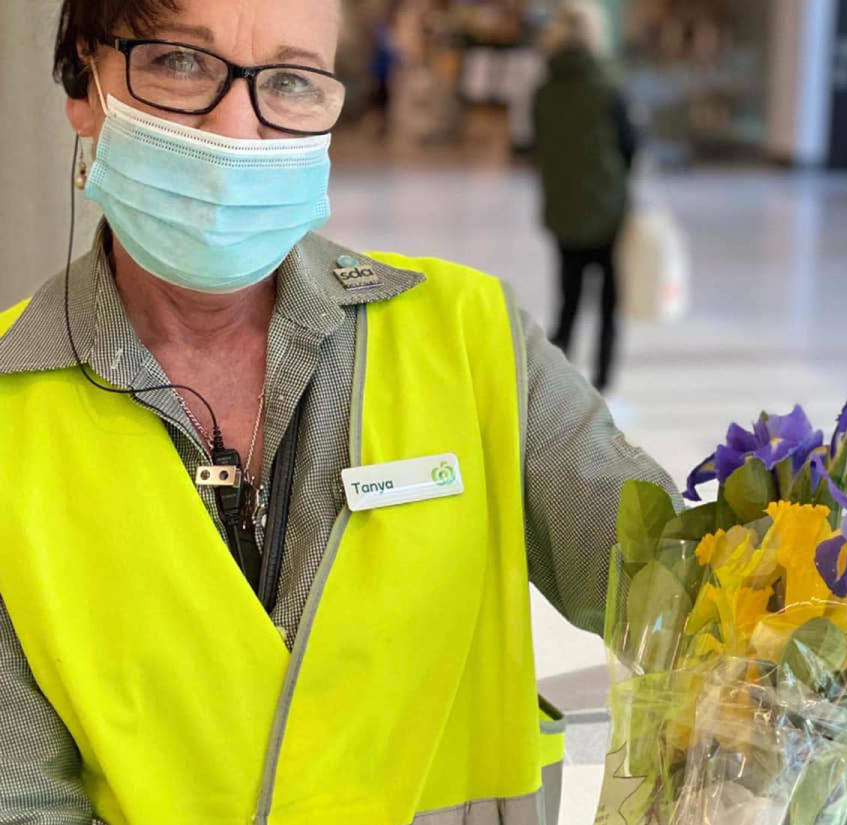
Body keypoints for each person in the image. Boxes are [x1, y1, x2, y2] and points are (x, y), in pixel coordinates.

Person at [0, 1, 679, 823]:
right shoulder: (13, 409)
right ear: (84, 79)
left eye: (288, 82)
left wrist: (805, 616)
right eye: (179, 63)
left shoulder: (471, 341)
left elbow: (671, 582)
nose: (236, 131)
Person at [533, 1, 638, 393]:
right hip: (608, 210)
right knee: (609, 304)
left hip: (563, 210)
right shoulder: (609, 86)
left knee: (568, 301)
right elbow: (630, 145)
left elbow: (539, 147)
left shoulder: (544, 90)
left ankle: (559, 387)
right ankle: (605, 384)